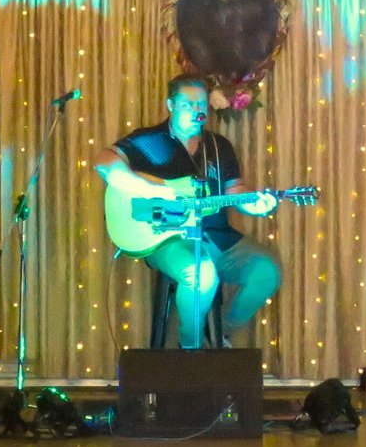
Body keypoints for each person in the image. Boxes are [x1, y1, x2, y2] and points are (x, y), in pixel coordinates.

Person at [96, 74, 282, 349]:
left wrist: (256, 204)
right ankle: (190, 349)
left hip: (218, 237)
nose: (198, 111)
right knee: (200, 271)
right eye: (189, 104)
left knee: (267, 271)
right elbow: (103, 162)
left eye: (202, 104)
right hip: (168, 239)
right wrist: (151, 189)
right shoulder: (149, 140)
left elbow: (235, 193)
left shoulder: (219, 147)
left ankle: (220, 332)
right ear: (170, 104)